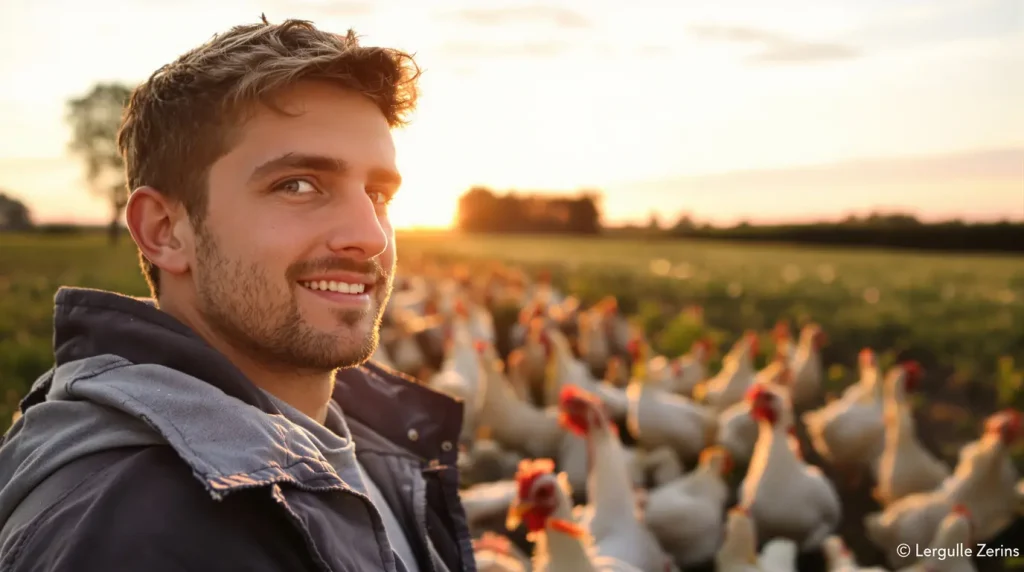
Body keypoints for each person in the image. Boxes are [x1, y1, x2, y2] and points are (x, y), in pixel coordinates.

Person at [0, 16, 473, 572]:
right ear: (164, 231)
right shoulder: (143, 530)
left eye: (377, 194)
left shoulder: (358, 436)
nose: (369, 236)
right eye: (298, 185)